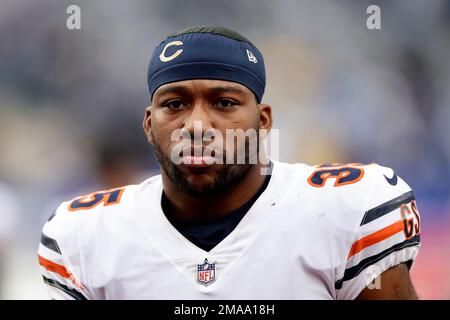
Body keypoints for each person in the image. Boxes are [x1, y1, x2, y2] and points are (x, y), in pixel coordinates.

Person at [37, 26, 421, 300]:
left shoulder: (349, 209)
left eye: (224, 102)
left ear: (264, 120)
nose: (198, 126)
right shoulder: (84, 235)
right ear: (149, 124)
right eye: (175, 104)